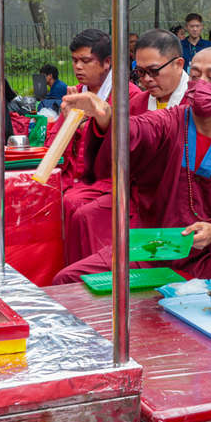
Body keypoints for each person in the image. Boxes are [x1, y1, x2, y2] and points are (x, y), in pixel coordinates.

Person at [53, 45, 211, 422]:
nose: (201, 84)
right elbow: (138, 131)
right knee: (71, 281)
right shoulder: (171, 121)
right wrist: (105, 115)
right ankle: (126, 392)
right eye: (197, 75)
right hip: (157, 247)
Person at [53, 28, 148, 265]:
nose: (78, 67)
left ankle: (87, 268)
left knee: (74, 204)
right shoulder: (76, 94)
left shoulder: (129, 95)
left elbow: (128, 149)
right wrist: (67, 120)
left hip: (110, 180)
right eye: (74, 60)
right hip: (74, 176)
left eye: (86, 61)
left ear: (107, 62)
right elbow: (53, 146)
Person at [134, 30, 189, 111]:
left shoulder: (199, 105)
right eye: (141, 71)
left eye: (153, 70)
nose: (146, 79)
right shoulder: (135, 105)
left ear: (178, 65)